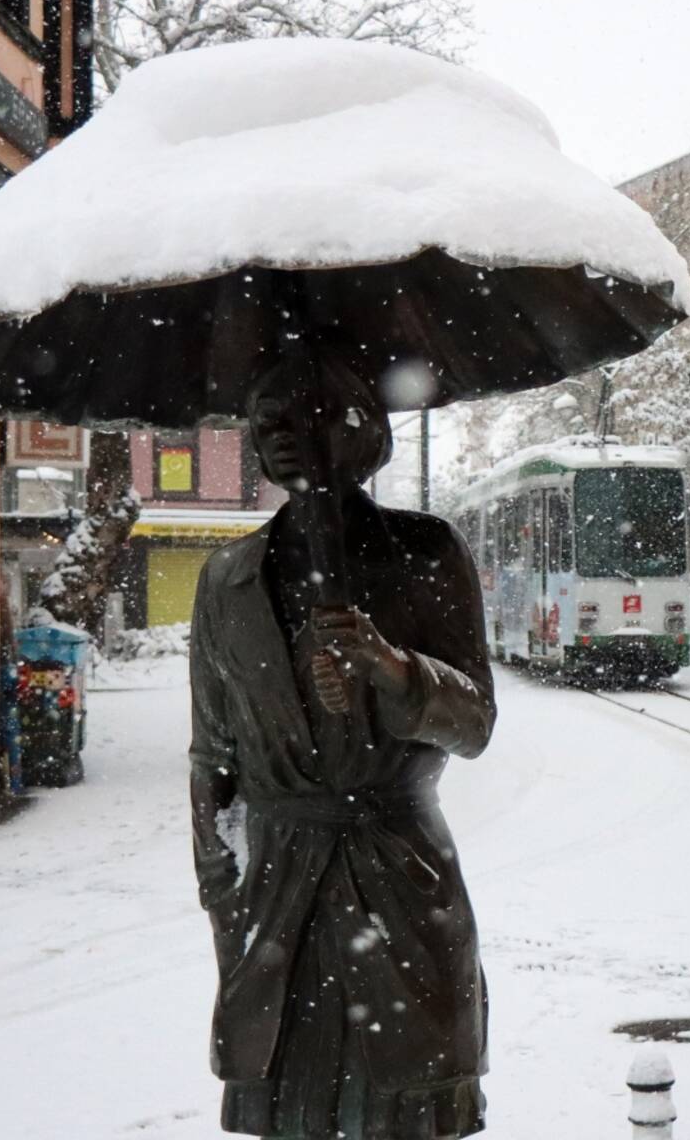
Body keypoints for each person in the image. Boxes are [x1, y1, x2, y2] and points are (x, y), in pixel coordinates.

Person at [189, 357, 496, 1140]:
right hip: (277, 890)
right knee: (293, 1104)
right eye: (269, 421)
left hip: (397, 872)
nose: (288, 436)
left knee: (403, 1107)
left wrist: (392, 671)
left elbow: (474, 725)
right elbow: (212, 758)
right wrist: (226, 898)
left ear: (368, 430)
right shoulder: (227, 578)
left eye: (315, 413)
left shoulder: (426, 553)